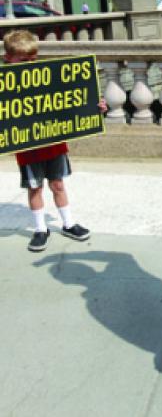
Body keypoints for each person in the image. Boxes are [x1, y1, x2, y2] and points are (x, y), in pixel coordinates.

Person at [3, 30, 107, 253]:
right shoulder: (4, 85)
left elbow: (73, 98)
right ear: (7, 59)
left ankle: (68, 223)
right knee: (35, 188)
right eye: (23, 60)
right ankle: (41, 229)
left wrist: (95, 106)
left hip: (54, 142)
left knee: (58, 184)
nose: (30, 64)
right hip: (28, 148)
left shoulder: (50, 76)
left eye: (33, 59)